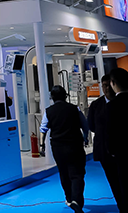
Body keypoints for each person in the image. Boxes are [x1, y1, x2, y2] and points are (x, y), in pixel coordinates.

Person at [40, 85, 89, 213]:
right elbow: (85, 125)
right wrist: (85, 138)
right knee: (77, 174)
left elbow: (43, 129)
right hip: (74, 145)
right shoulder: (74, 109)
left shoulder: (48, 111)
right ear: (65, 96)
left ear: (52, 97)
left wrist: (41, 145)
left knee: (63, 172)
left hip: (58, 147)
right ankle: (77, 201)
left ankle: (69, 198)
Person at [88, 75, 121, 209]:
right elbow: (91, 126)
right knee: (113, 180)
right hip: (103, 149)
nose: (107, 89)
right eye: (104, 86)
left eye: (109, 85)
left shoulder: (120, 103)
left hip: (120, 148)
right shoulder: (96, 105)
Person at [107, 67, 128, 212]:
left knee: (124, 186)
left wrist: (112, 151)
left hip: (122, 154)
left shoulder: (112, 106)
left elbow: (110, 132)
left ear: (113, 83)